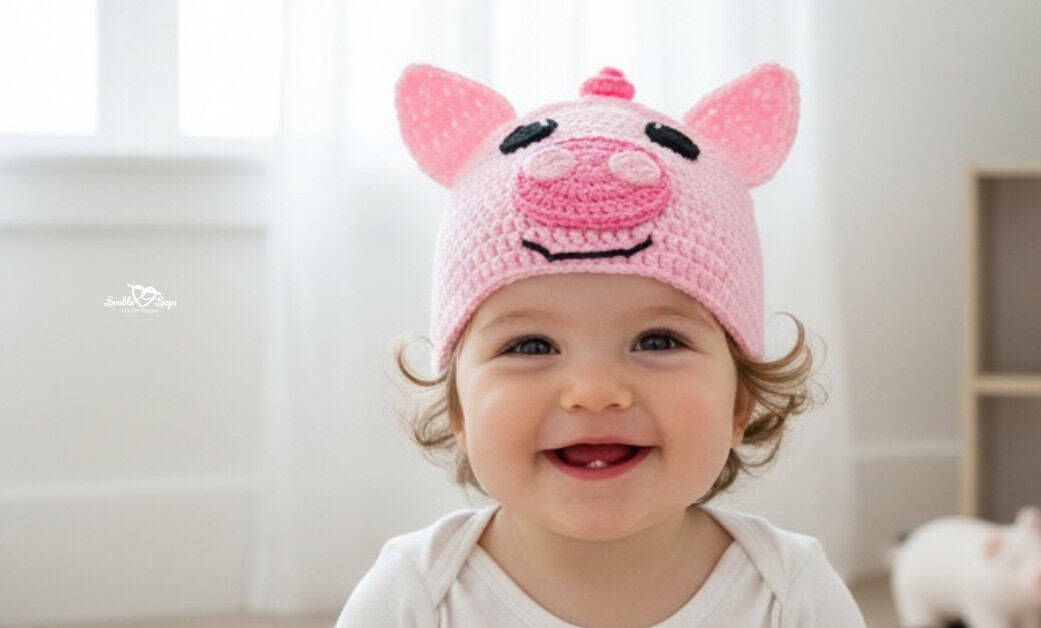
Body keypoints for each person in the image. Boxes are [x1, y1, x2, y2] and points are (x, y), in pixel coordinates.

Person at [336, 61, 867, 627]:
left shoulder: (790, 592)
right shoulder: (415, 594)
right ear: (459, 409)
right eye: (531, 346)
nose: (593, 392)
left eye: (657, 340)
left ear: (740, 402)